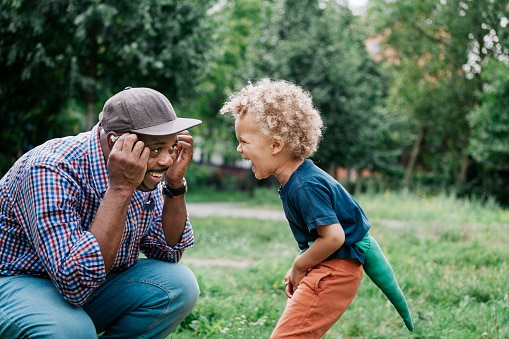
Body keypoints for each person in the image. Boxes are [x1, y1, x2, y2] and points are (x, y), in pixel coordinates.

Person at [0, 86, 202, 338]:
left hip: (92, 282)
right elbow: (73, 282)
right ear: (115, 141)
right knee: (72, 331)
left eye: (171, 147)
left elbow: (166, 252)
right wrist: (120, 188)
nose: (166, 160)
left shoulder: (144, 170)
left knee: (178, 285)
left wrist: (174, 185)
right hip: (19, 282)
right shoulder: (49, 168)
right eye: (156, 149)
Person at [220, 78, 413, 338]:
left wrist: (300, 265)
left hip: (334, 272)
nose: (239, 149)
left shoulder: (304, 186)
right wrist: (302, 266)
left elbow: (334, 237)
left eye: (244, 142)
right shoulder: (300, 179)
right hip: (328, 267)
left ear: (276, 145)